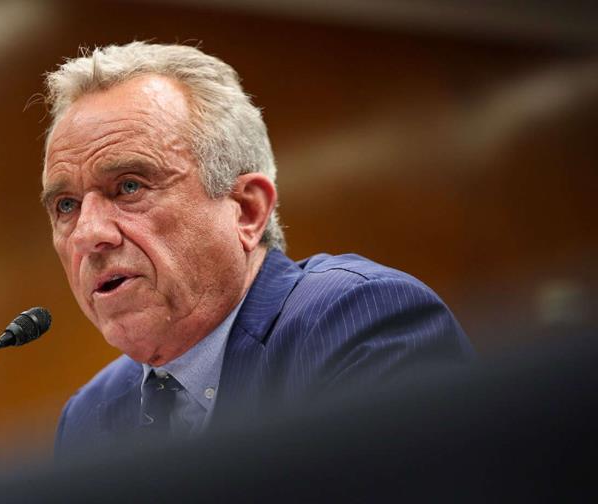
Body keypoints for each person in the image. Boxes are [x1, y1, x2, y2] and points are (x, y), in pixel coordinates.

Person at [40, 42, 474, 457]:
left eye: (130, 186)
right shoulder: (87, 419)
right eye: (66, 206)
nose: (87, 234)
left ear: (247, 210)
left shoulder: (359, 326)